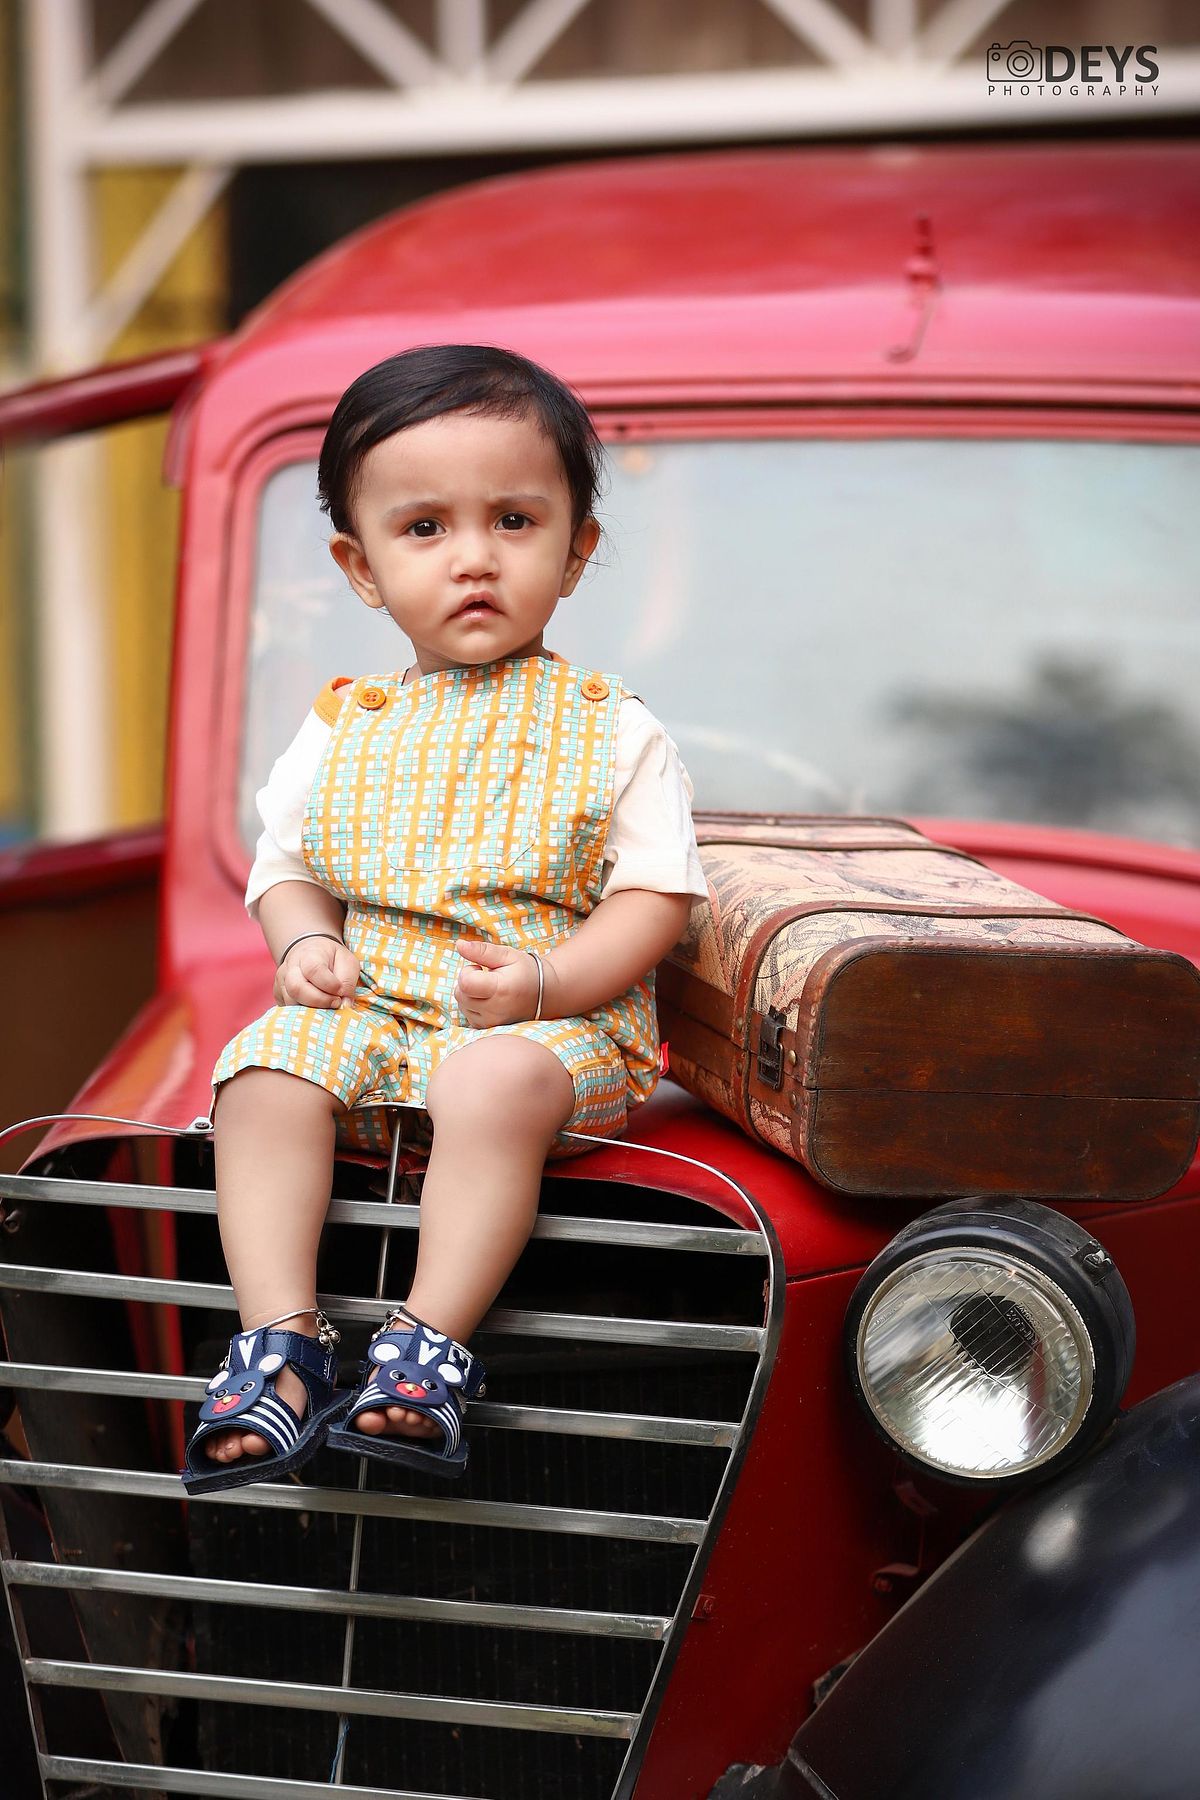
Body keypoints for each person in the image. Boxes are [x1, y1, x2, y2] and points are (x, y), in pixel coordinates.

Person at [182, 343, 707, 1493]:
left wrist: (545, 982)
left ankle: (427, 1348)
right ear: (360, 568)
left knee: (489, 1083)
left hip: (549, 1025)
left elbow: (655, 899)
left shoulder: (613, 727)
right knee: (262, 1066)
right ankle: (279, 1340)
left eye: (515, 521)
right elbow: (286, 867)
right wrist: (308, 942)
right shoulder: (346, 723)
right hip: (381, 1010)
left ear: (577, 552)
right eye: (425, 529)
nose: (473, 558)